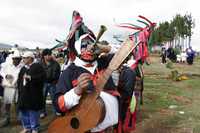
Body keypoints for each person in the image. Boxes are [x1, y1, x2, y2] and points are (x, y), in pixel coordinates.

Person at [53, 32, 136, 132]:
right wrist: (76, 91)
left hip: (111, 127)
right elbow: (58, 105)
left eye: (92, 45)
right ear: (78, 48)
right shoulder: (69, 72)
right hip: (86, 128)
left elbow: (129, 47)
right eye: (84, 46)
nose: (89, 48)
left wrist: (103, 48)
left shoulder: (104, 62)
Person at [17, 51, 45, 133]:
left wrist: (31, 78)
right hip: (24, 93)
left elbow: (42, 77)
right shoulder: (23, 68)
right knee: (24, 110)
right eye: (23, 58)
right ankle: (27, 127)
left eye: (25, 58)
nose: (23, 59)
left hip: (33, 94)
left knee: (33, 111)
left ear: (30, 58)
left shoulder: (38, 67)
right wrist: (19, 89)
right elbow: (20, 80)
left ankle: (35, 128)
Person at [0, 50, 23, 127]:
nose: (17, 60)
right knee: (7, 103)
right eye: (16, 58)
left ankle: (19, 118)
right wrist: (5, 75)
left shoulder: (21, 66)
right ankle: (7, 118)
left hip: (17, 87)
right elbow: (1, 72)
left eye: (19, 59)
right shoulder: (7, 65)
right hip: (9, 87)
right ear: (13, 59)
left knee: (17, 103)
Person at [40, 48, 61, 118]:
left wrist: (55, 81)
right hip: (43, 83)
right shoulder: (40, 64)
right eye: (46, 55)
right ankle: (42, 112)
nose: (48, 56)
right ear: (44, 56)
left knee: (54, 98)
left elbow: (58, 73)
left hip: (52, 83)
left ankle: (57, 111)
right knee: (42, 98)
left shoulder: (56, 64)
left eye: (49, 54)